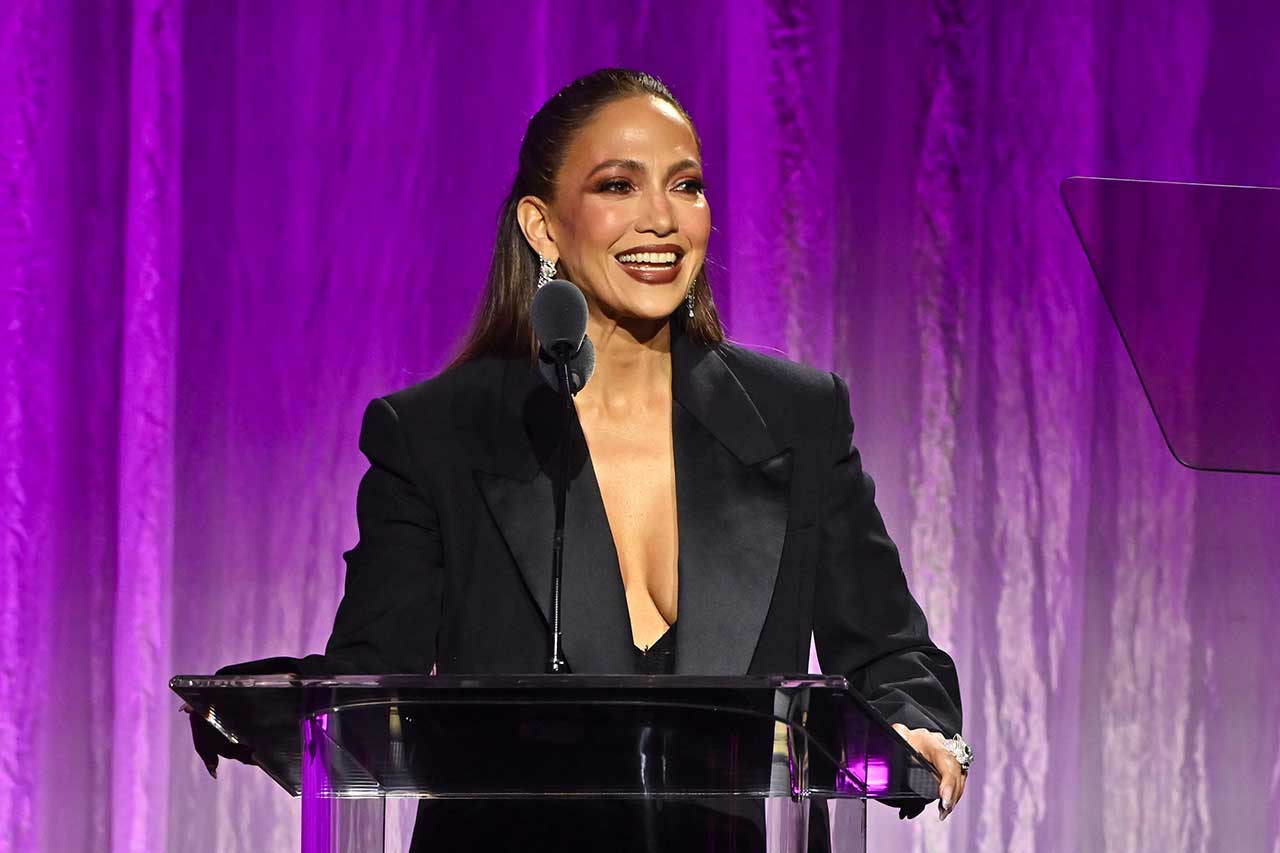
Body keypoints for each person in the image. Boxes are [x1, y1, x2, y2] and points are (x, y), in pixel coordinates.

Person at [187, 68, 969, 849]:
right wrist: (265, 701)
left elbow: (889, 649)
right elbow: (367, 682)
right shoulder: (435, 434)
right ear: (542, 225)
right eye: (618, 186)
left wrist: (915, 724)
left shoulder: (799, 417)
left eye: (686, 185)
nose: (662, 219)